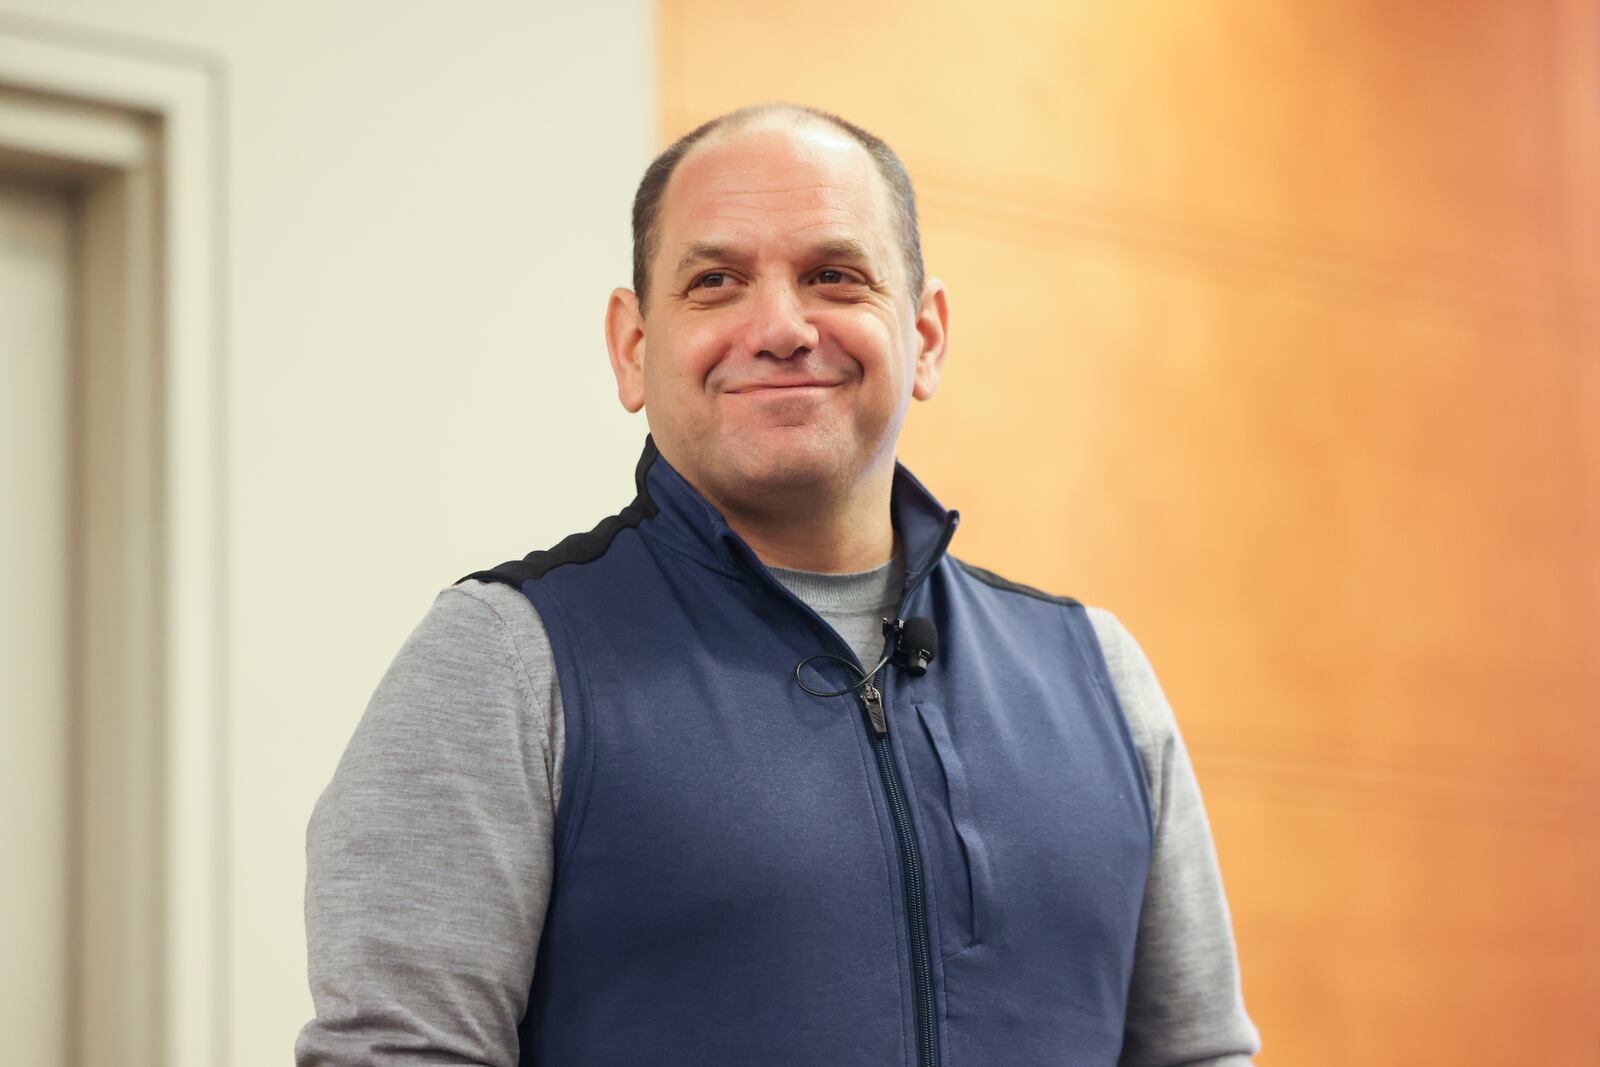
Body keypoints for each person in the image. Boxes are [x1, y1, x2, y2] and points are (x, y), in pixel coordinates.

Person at [295, 102, 1262, 1067]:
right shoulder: (505, 660)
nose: (782, 326)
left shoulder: (1100, 676)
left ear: (924, 335)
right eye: (715, 282)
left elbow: (1199, 1053)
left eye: (833, 276)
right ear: (634, 347)